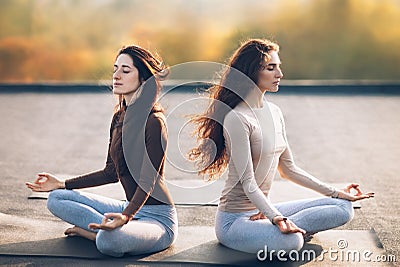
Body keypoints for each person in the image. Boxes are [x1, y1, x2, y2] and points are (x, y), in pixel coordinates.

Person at [189, 39, 374, 254]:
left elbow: (289, 170)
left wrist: (337, 193)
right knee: (292, 242)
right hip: (235, 221)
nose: (280, 74)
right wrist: (276, 217)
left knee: (343, 208)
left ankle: (279, 226)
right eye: (271, 68)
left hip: (263, 211)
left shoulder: (274, 112)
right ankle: (283, 229)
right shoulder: (237, 119)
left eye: (279, 66)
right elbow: (248, 182)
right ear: (251, 72)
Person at [26, 45, 178, 257]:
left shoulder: (154, 122)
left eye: (125, 71)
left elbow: (148, 181)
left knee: (109, 241)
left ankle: (94, 233)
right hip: (128, 207)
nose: (116, 76)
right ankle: (104, 229)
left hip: (157, 219)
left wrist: (125, 216)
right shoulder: (118, 118)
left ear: (143, 79)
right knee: (56, 198)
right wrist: (62, 183)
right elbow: (110, 172)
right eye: (115, 69)